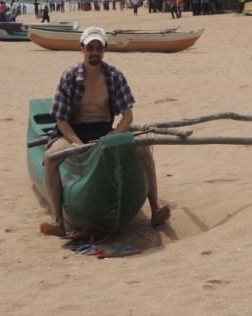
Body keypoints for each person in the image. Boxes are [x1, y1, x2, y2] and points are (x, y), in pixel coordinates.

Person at [39, 27, 170, 236]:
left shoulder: (114, 76)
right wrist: (76, 142)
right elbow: (61, 120)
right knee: (50, 157)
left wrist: (114, 134)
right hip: (73, 130)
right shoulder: (70, 76)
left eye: (99, 48)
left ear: (105, 50)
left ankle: (155, 209)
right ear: (81, 48)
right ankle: (58, 222)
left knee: (143, 145)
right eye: (90, 47)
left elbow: (128, 116)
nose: (94, 52)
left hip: (104, 130)